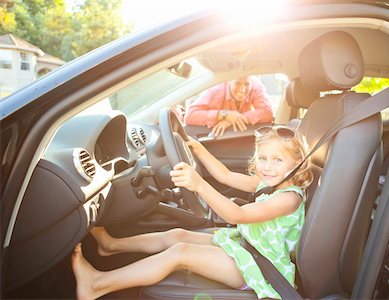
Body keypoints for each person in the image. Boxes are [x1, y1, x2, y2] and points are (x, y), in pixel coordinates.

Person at [72, 125, 313, 300]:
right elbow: (225, 176)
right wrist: (198, 150)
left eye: (277, 160)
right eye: (262, 158)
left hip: (260, 269)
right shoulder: (267, 183)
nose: (267, 166)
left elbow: (237, 216)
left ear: (297, 163)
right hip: (247, 247)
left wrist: (198, 184)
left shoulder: (289, 199)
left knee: (180, 253)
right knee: (177, 234)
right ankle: (111, 245)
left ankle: (97, 285)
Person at [184, 76, 274, 137]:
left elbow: (267, 112)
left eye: (247, 84)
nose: (242, 90)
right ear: (228, 81)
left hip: (240, 135)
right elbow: (190, 116)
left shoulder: (256, 86)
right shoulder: (216, 90)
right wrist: (224, 115)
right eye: (237, 83)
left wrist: (233, 120)